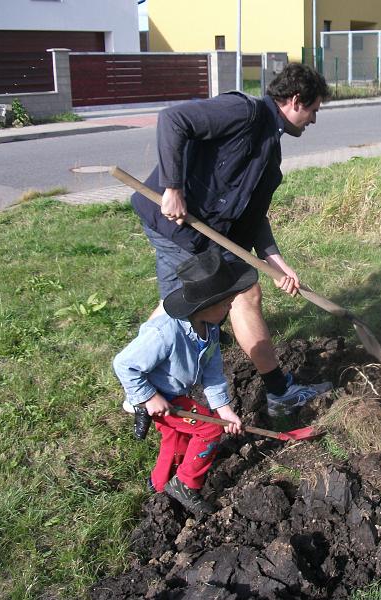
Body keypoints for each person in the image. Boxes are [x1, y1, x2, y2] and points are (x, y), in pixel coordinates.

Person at [130, 63, 332, 418]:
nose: (314, 120)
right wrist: (173, 187)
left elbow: (253, 219)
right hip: (175, 224)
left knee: (181, 306)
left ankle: (139, 384)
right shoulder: (244, 112)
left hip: (199, 233)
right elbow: (173, 119)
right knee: (228, 296)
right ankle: (279, 392)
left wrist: (277, 262)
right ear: (296, 100)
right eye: (314, 110)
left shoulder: (270, 155)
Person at [113, 247, 257, 515]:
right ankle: (186, 484)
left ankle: (159, 484)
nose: (230, 306)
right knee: (209, 430)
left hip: (173, 396)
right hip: (159, 396)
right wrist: (147, 397)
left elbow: (212, 373)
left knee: (176, 438)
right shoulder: (164, 331)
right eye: (226, 302)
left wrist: (224, 410)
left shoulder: (210, 329)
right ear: (206, 306)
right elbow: (124, 364)